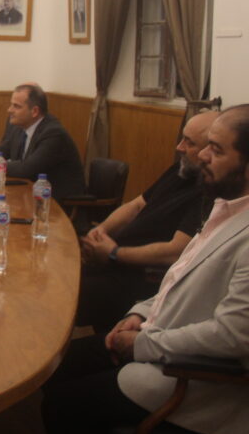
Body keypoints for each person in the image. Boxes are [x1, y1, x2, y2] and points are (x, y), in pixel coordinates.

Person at [42, 105, 249, 434]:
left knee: (62, 407)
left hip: (192, 377)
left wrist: (142, 343)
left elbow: (232, 337)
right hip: (156, 333)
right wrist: (136, 314)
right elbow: (178, 278)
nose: (202, 155)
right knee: (59, 365)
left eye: (216, 149)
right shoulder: (226, 208)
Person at [76, 110, 218, 335]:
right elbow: (136, 205)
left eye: (189, 142)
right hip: (114, 262)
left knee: (60, 296)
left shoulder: (211, 192)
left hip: (138, 278)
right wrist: (100, 230)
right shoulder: (180, 170)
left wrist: (114, 253)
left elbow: (175, 251)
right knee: (55, 277)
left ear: (212, 150)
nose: (179, 147)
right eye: (182, 138)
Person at [0, 84, 86, 199]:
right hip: (29, 193)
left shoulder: (53, 133)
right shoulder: (21, 126)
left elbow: (27, 168)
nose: (9, 110)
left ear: (34, 111)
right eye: (11, 105)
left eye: (16, 106)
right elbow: (5, 148)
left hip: (56, 201)